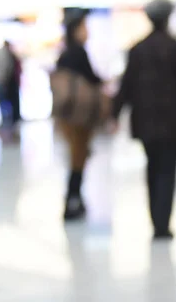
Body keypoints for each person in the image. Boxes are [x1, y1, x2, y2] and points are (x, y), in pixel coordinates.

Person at [111, 0, 176, 240]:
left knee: (153, 169)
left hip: (145, 124)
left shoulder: (138, 50)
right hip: (173, 124)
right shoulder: (175, 49)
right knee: (167, 171)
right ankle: (162, 224)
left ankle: (156, 220)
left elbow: (126, 86)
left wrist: (114, 114)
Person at [56, 14, 103, 221]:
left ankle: (75, 199)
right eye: (84, 27)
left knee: (77, 156)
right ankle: (72, 201)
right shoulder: (77, 53)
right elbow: (91, 79)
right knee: (78, 157)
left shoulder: (65, 54)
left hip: (67, 114)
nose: (87, 31)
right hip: (79, 114)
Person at [4, 41, 22, 132]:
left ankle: (14, 119)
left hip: (12, 82)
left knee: (13, 101)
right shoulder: (10, 56)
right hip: (11, 82)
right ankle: (13, 119)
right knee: (12, 101)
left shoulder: (9, 56)